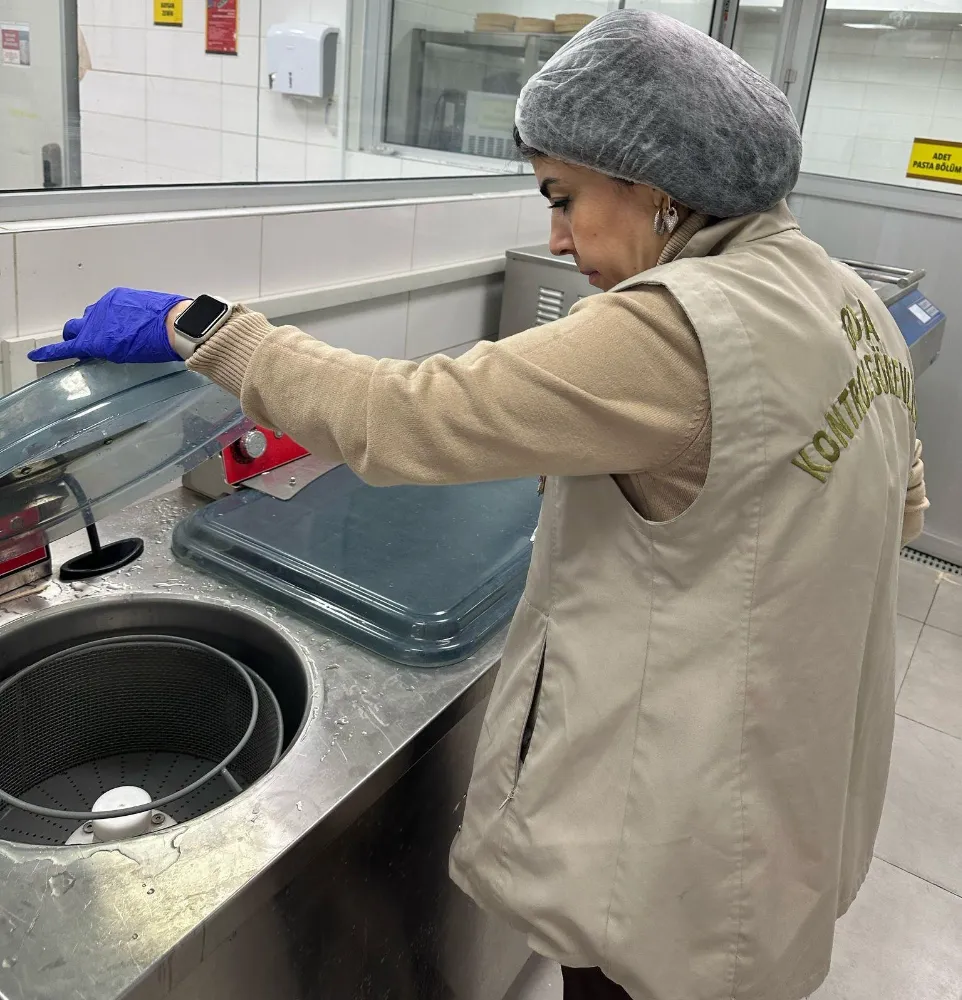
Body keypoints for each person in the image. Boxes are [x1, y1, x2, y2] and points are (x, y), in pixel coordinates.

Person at [30, 11, 928, 999]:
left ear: (655, 185)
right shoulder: (844, 300)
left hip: (686, 836)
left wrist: (201, 326)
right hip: (789, 790)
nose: (556, 237)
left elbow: (398, 416)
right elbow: (897, 506)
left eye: (563, 197)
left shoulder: (680, 330)